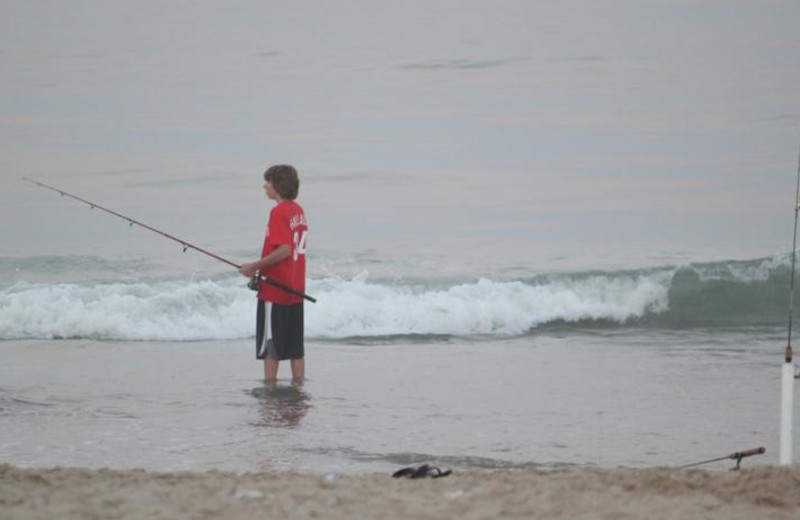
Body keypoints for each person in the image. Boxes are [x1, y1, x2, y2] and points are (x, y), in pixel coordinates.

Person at [239, 165, 308, 382]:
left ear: (278, 185)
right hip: (295, 289)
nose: (265, 186)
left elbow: (284, 250)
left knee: (271, 345)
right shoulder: (298, 210)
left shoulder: (278, 212)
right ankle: (298, 390)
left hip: (276, 290)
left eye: (268, 182)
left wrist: (254, 267)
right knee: (296, 347)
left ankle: (270, 391)